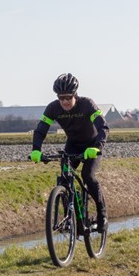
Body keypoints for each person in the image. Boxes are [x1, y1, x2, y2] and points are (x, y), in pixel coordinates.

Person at [30, 73, 110, 230]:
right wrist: (36, 150)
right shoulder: (53, 108)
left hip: (92, 145)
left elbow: (103, 127)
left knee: (87, 175)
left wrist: (97, 147)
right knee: (65, 179)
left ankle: (102, 214)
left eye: (68, 97)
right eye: (61, 98)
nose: (65, 101)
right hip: (72, 144)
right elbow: (40, 130)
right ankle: (71, 219)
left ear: (75, 94)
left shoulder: (87, 104)